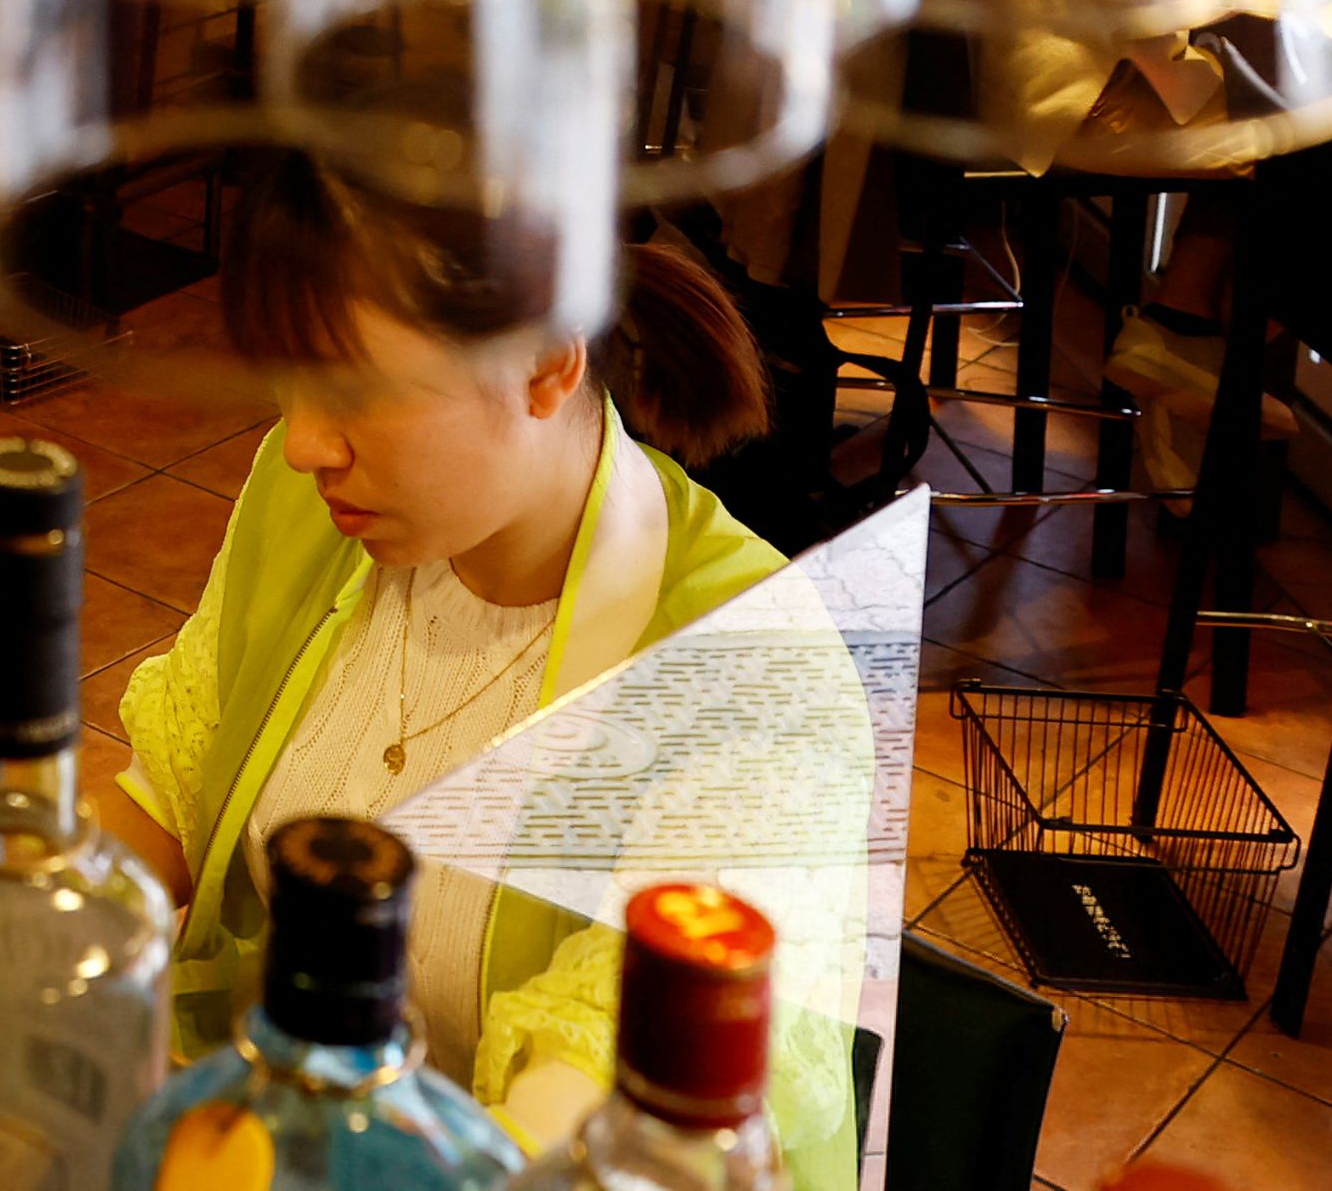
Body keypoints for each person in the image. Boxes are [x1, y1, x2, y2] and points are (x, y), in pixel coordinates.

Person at [103, 160, 842, 1162]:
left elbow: (587, 1113)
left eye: (353, 386)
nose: (302, 445)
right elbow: (171, 797)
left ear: (546, 363)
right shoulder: (324, 514)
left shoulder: (753, 668)